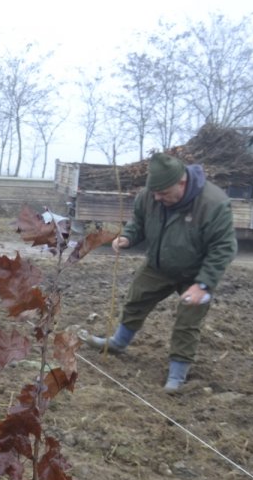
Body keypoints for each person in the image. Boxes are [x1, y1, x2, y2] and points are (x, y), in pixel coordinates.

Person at [83, 152, 237, 393]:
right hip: (158, 264)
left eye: (163, 193)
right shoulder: (150, 195)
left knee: (188, 321)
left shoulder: (214, 204)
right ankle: (118, 342)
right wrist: (127, 237)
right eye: (154, 193)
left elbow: (223, 248)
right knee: (135, 300)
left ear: (182, 183)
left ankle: (177, 374)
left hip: (196, 273)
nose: (157, 198)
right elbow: (139, 222)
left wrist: (203, 284)